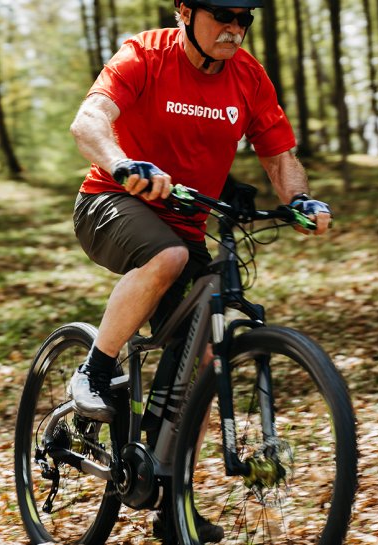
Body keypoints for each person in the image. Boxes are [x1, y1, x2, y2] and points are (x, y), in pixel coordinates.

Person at [68, 0, 331, 541]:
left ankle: (171, 497)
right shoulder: (145, 54)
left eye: (245, 19)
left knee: (205, 354)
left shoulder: (248, 77)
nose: (235, 28)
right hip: (111, 202)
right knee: (169, 258)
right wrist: (123, 163)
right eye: (223, 14)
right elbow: (88, 120)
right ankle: (95, 367)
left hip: (189, 222)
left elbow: (278, 155)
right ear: (185, 11)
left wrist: (300, 199)